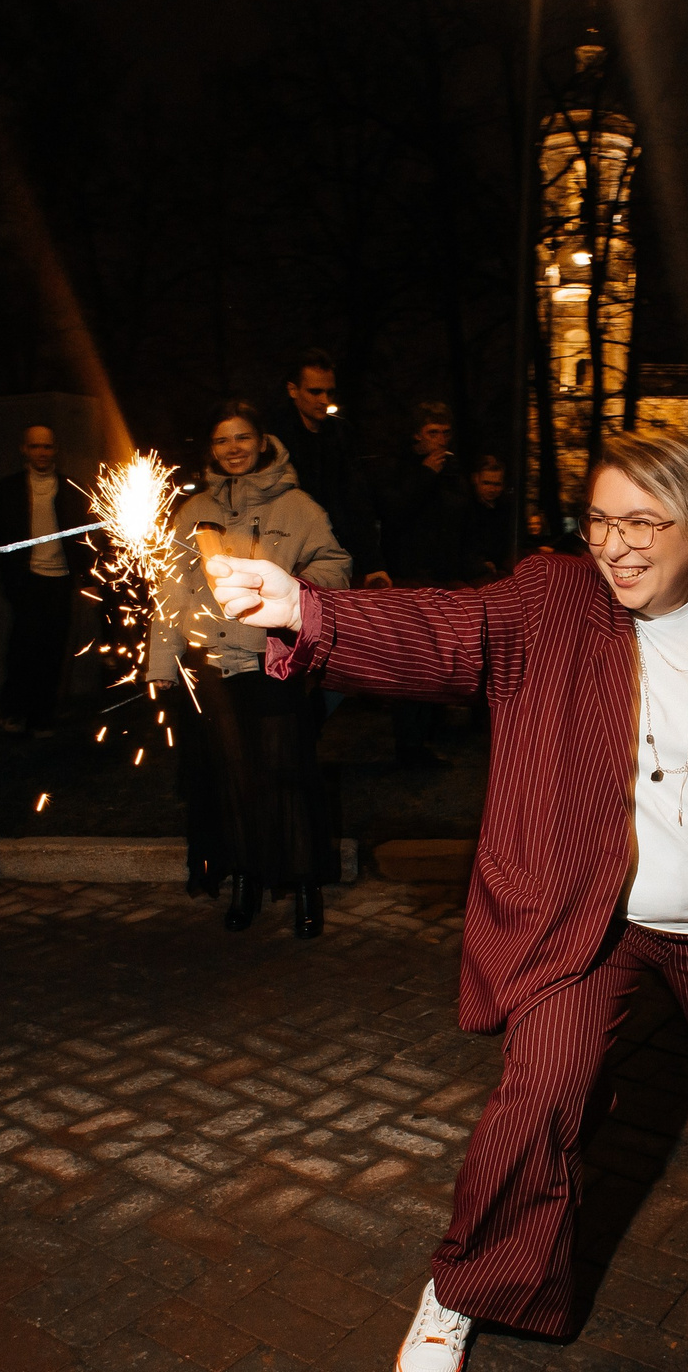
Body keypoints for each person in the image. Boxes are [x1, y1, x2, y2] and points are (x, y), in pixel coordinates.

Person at [205, 432, 688, 1372]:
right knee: (541, 1091)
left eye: (644, 522)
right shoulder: (552, 598)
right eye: (601, 520)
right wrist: (306, 614)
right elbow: (445, 630)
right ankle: (463, 1285)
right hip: (584, 913)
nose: (617, 545)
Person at [149, 400, 351, 936]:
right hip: (211, 665)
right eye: (222, 440)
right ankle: (244, 879)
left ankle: (305, 884)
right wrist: (161, 661)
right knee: (229, 778)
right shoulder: (192, 511)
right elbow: (170, 588)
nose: (233, 449)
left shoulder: (297, 505)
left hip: (274, 661)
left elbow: (335, 566)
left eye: (242, 438)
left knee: (288, 773)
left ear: (262, 442)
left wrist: (294, 596)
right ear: (211, 449)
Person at [0, 424, 94, 735]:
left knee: (53, 649)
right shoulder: (9, 488)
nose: (42, 453)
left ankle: (41, 716)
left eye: (47, 447)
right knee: (23, 648)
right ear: (25, 449)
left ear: (55, 450)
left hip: (60, 580)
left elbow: (83, 535)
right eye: (35, 447)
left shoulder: (70, 487)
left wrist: (87, 575)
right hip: (25, 579)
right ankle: (14, 710)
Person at [375, 401, 473, 768]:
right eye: (433, 432)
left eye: (445, 433)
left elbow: (460, 520)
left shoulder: (453, 470)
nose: (440, 440)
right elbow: (393, 513)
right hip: (410, 577)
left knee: (439, 659)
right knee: (412, 662)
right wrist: (424, 476)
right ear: (418, 434)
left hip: (442, 577)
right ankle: (409, 743)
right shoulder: (401, 468)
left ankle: (425, 737)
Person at [277, 348, 386, 587]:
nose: (325, 400)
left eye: (329, 392)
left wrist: (372, 563)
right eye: (315, 391)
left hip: (338, 552)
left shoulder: (341, 433)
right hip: (293, 556)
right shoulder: (275, 437)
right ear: (293, 390)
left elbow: (357, 500)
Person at [456, 458, 515, 583]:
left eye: (497, 484)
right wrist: (480, 566)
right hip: (471, 577)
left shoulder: (505, 510)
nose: (492, 489)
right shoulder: (464, 509)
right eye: (487, 483)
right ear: (476, 479)